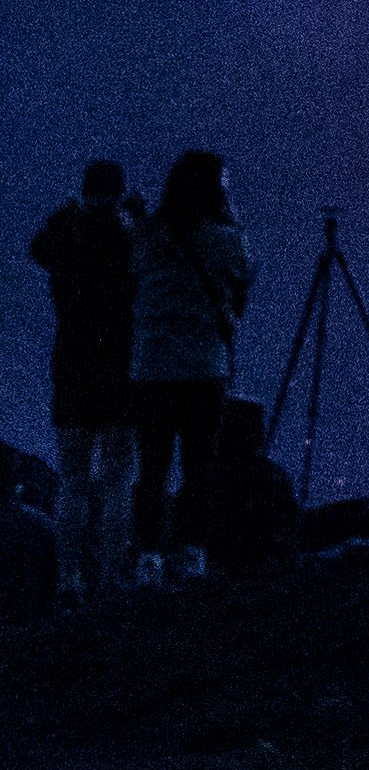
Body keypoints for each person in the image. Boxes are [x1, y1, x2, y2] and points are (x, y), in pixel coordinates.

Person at [127, 149, 250, 585]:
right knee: (200, 465)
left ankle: (147, 558)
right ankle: (192, 552)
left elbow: (133, 274)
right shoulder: (224, 238)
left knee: (153, 467)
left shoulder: (147, 234)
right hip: (204, 366)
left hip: (152, 366)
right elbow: (244, 279)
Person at [29, 160, 136, 600]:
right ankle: (113, 576)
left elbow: (37, 247)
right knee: (117, 479)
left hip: (72, 365)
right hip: (121, 367)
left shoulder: (66, 238)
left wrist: (65, 215)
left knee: (72, 478)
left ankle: (69, 575)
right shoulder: (127, 240)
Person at [193, 398, 300, 575]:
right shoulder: (270, 475)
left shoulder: (205, 474)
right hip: (262, 560)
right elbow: (289, 521)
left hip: (223, 561)